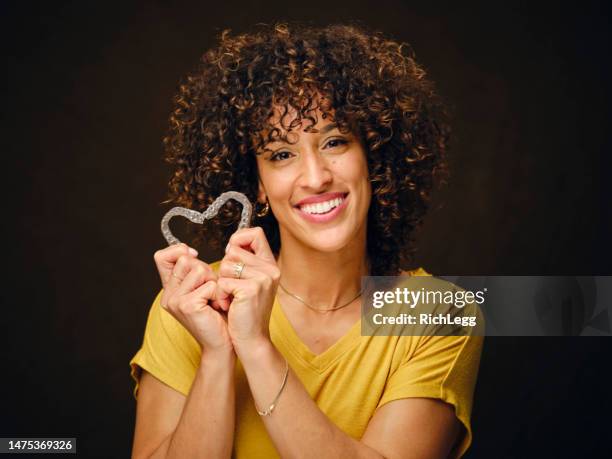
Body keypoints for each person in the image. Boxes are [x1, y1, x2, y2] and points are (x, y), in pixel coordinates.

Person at [129, 22, 483, 458]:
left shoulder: (439, 315)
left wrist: (256, 346)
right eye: (281, 154)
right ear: (256, 184)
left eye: (335, 141)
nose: (315, 177)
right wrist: (217, 353)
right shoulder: (191, 306)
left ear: (373, 155)